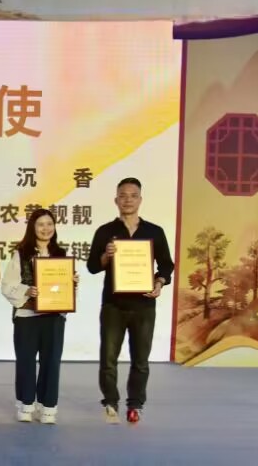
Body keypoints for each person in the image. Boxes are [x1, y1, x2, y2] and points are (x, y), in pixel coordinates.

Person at [87, 177, 173, 425]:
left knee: (141, 360)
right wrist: (106, 256)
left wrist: (159, 282)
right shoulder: (105, 232)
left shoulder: (154, 232)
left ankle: (135, 405)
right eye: (123, 196)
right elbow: (92, 266)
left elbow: (166, 265)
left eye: (133, 195)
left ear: (140, 200)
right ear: (116, 200)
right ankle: (110, 402)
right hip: (113, 305)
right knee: (108, 359)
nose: (128, 200)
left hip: (144, 305)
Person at [1, 208, 78, 425]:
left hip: (54, 316)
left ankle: (48, 406)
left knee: (51, 361)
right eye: (41, 225)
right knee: (25, 361)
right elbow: (7, 285)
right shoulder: (21, 253)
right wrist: (28, 290)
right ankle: (26, 404)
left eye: (49, 224)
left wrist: (71, 284)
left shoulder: (61, 254)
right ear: (32, 228)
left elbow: (65, 289)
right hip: (27, 315)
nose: (46, 229)